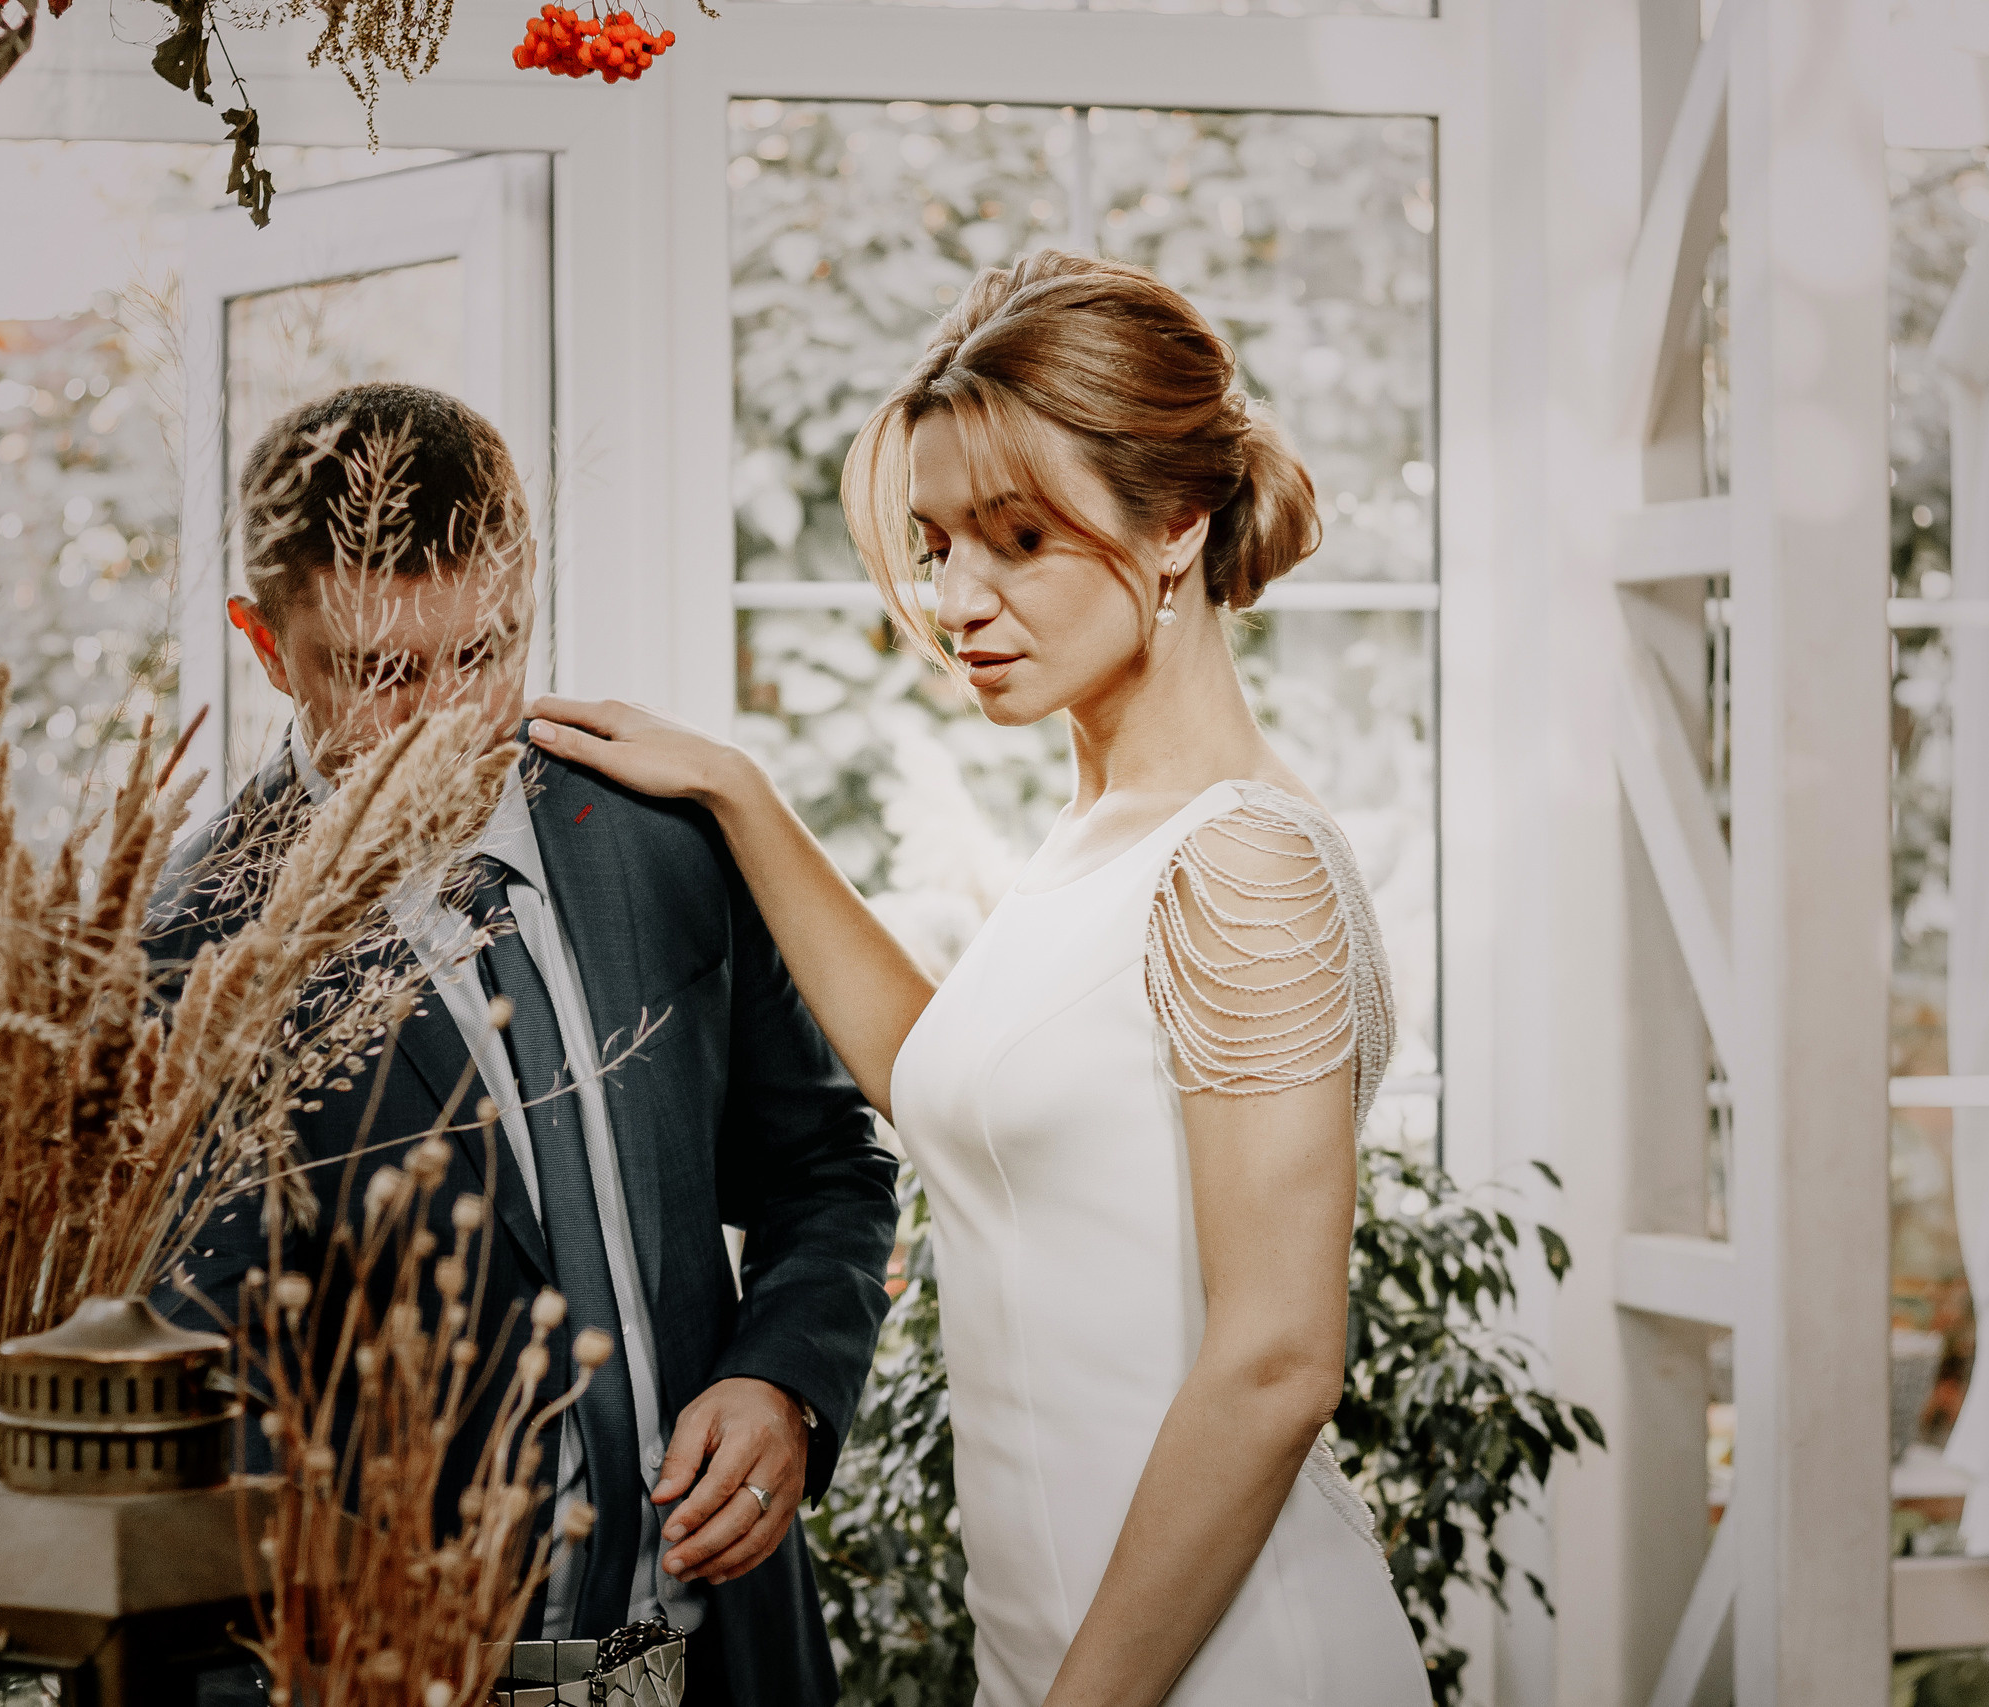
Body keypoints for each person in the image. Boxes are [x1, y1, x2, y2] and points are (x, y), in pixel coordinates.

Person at [527, 251, 1432, 1706]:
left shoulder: (1244, 863)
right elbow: (942, 1077)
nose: (960, 596)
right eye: (941, 542)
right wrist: (745, 799)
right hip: (1071, 1653)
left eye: (1019, 537)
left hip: (1228, 1666)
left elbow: (1278, 1363)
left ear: (1179, 526)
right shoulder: (1104, 834)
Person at [146, 382, 899, 1707]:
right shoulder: (191, 958)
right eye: (383, 671)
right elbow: (196, 1409)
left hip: (725, 1663)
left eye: (484, 653)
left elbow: (825, 1170)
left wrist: (785, 1382)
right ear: (265, 644)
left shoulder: (671, 834)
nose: (447, 718)